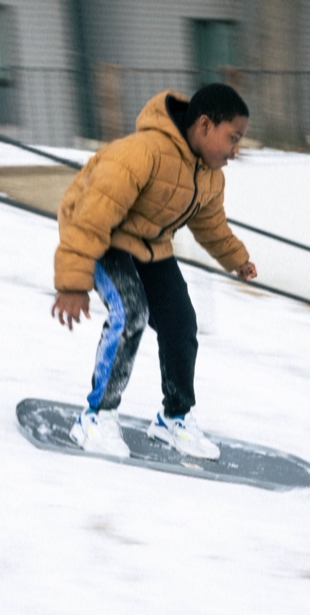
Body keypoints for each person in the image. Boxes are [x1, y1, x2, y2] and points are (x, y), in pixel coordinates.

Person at [50, 83, 258, 461]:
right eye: (233, 138)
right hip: (101, 237)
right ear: (206, 126)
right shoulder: (140, 154)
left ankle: (173, 419)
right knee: (131, 313)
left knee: (181, 323)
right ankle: (95, 417)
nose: (235, 150)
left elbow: (211, 225)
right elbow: (90, 218)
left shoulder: (210, 177)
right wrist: (72, 283)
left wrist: (236, 258)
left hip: (149, 246)